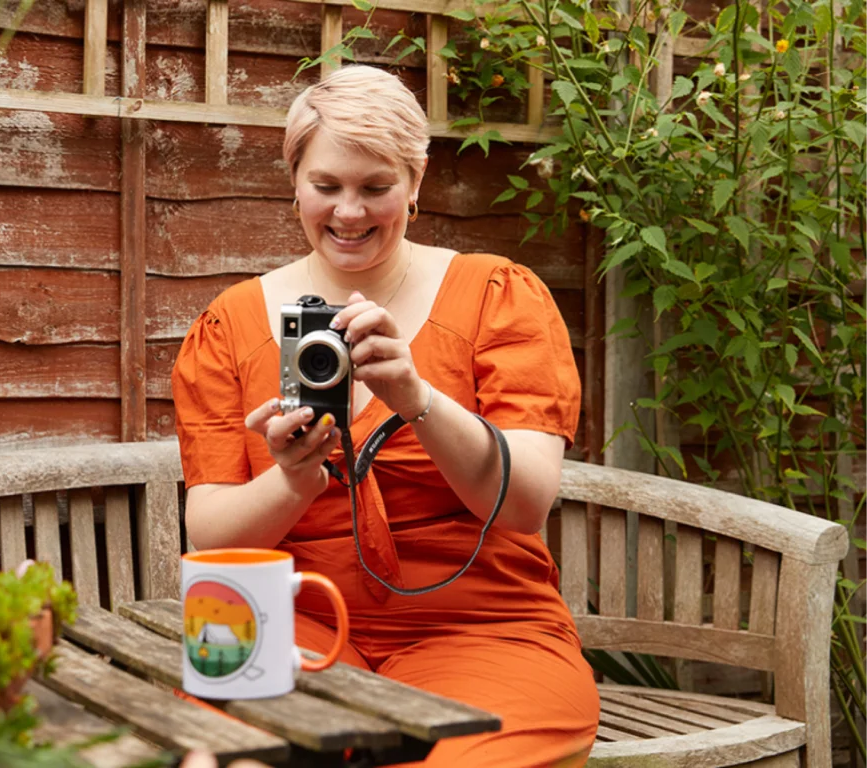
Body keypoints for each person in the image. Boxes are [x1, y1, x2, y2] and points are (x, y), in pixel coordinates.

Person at [172, 64, 599, 768]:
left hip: (484, 631)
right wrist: (293, 479)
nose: (349, 213)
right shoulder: (231, 324)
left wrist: (417, 398)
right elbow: (212, 539)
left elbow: (525, 504)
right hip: (291, 622)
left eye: (376, 188)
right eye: (326, 186)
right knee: (227, 755)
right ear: (294, 182)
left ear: (416, 181)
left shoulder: (496, 296)